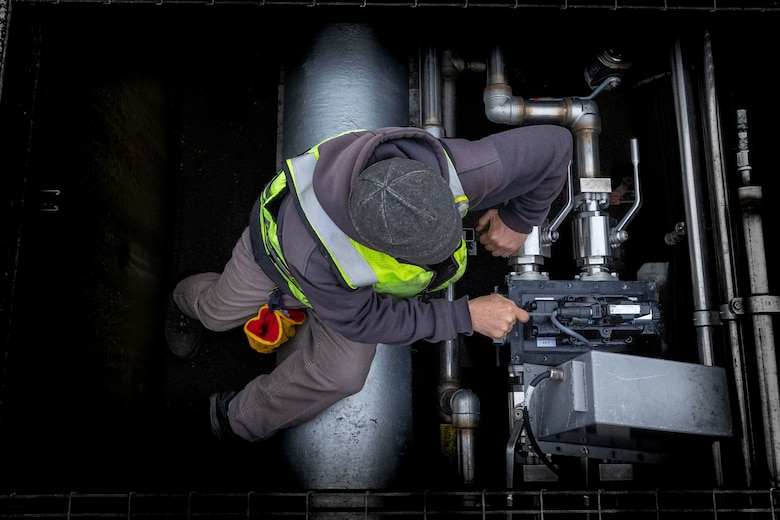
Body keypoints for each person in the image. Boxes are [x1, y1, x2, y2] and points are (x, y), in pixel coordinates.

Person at [165, 125, 572, 444]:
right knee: (217, 314)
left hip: (351, 286)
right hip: (276, 262)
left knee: (342, 376)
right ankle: (186, 301)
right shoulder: (316, 252)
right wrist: (463, 315)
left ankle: (237, 420)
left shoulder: (458, 169)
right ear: (375, 244)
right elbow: (364, 320)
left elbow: (556, 145)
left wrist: (520, 219)